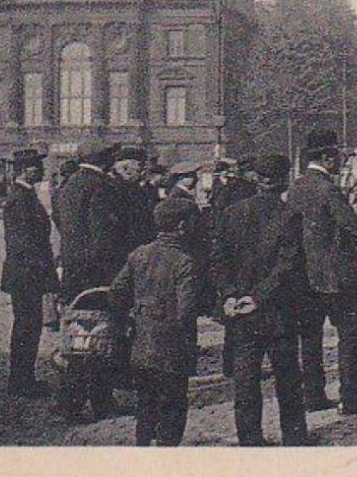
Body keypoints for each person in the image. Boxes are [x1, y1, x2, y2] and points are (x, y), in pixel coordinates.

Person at [211, 153, 311, 447]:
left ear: (256, 180)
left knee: (245, 379)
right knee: (288, 377)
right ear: (282, 181)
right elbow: (288, 265)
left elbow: (217, 260)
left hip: (241, 311)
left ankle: (249, 438)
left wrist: (230, 295)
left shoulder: (232, 213)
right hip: (278, 310)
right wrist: (259, 297)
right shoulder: (289, 215)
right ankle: (294, 436)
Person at [286, 128, 357, 417]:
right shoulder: (329, 190)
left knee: (310, 338)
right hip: (338, 278)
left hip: (306, 278)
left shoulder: (296, 188)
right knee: (349, 336)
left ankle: (313, 396)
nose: (339, 161)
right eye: (336, 155)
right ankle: (350, 400)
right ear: (326, 158)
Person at [107, 196, 206, 446]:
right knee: (173, 407)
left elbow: (117, 291)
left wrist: (132, 317)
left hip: (142, 344)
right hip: (172, 348)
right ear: (182, 226)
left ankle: (143, 448)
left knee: (146, 402)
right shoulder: (185, 261)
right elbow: (186, 310)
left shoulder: (139, 254)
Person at [53, 139, 128, 416]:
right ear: (104, 160)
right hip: (98, 276)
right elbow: (104, 238)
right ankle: (101, 401)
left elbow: (62, 225)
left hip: (74, 275)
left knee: (76, 339)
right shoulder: (102, 188)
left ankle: (68, 402)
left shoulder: (68, 186)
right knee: (102, 338)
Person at [0, 148, 58, 397]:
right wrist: (41, 271)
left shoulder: (25, 194)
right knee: (26, 326)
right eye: (38, 167)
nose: (42, 171)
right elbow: (23, 243)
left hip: (27, 273)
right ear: (28, 170)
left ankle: (24, 378)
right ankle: (20, 381)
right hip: (26, 275)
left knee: (29, 326)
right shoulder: (19, 198)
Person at [110, 146, 157, 257]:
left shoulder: (136, 187)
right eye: (139, 168)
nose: (142, 173)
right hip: (125, 249)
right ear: (125, 169)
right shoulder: (113, 188)